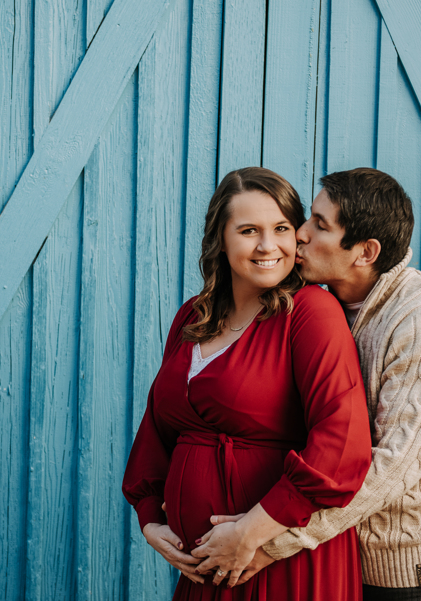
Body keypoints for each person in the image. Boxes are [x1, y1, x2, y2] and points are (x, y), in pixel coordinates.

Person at [193, 168, 421, 601]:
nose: (301, 234)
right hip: (333, 561)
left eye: (320, 225)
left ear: (365, 252)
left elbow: (391, 470)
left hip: (408, 575)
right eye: (308, 218)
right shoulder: (322, 303)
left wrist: (265, 541)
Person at [122, 167, 372, 600]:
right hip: (204, 568)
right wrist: (150, 518)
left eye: (281, 229)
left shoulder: (310, 312)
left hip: (280, 563)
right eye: (249, 230)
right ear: (220, 238)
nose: (267, 245)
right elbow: (156, 431)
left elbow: (342, 443)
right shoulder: (193, 317)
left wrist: (252, 531)